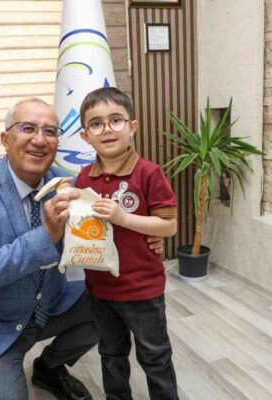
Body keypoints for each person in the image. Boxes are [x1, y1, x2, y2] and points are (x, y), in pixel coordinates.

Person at [0, 98, 164, 399]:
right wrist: (46, 235)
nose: (39, 140)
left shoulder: (70, 185)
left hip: (48, 306)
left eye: (49, 131)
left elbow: (110, 223)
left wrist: (148, 233)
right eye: (28, 128)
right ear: (5, 139)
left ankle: (49, 367)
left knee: (112, 300)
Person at [74, 87, 180, 399]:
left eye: (116, 120)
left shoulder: (148, 173)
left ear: (132, 127)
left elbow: (169, 225)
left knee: (155, 356)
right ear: (85, 136)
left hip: (142, 288)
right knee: (111, 354)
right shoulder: (83, 178)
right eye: (96, 124)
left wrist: (123, 218)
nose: (107, 129)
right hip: (101, 288)